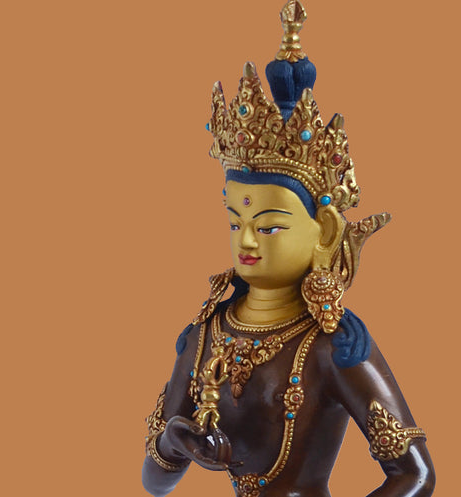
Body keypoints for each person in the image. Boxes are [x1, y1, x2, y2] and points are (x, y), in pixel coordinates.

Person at [141, 2, 434, 496]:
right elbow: (154, 483)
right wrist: (175, 442)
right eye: (235, 222)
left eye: (270, 227)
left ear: (325, 231)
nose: (246, 240)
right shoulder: (205, 333)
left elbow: (415, 475)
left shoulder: (333, 346)